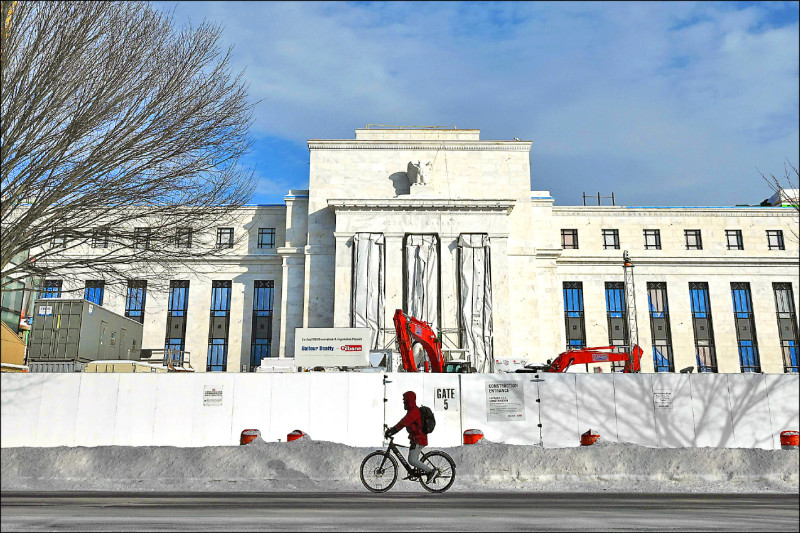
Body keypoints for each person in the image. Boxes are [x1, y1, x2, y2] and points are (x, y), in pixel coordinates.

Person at [385, 391, 439, 483]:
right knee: (413, 459)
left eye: (404, 401)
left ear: (409, 401)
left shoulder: (414, 412)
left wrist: (391, 432)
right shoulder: (412, 411)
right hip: (416, 439)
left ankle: (431, 472)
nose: (403, 403)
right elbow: (402, 422)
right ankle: (420, 472)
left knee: (412, 460)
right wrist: (392, 430)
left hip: (419, 439)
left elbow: (402, 423)